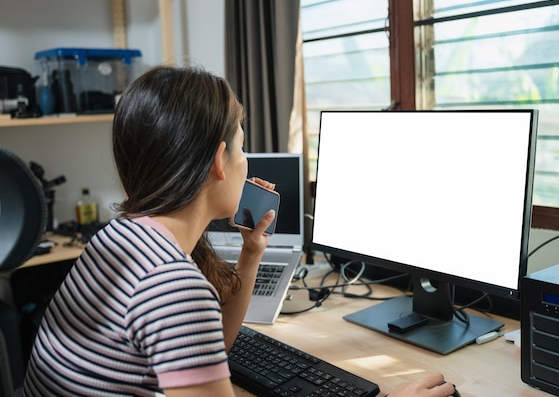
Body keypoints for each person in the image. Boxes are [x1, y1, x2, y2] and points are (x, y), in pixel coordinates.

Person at [17, 65, 458, 397]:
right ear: (217, 161)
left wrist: (251, 253)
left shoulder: (123, 236)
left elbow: (219, 345)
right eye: (243, 146)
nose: (247, 162)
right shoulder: (171, 286)